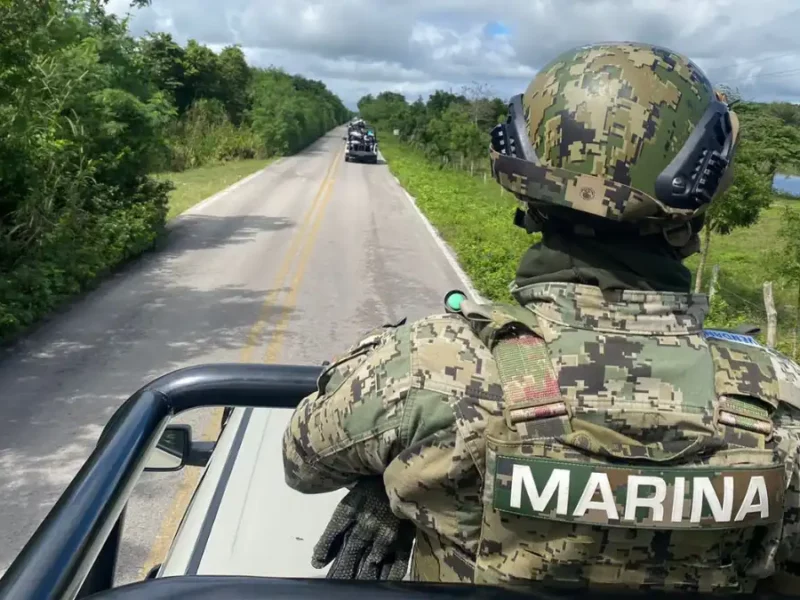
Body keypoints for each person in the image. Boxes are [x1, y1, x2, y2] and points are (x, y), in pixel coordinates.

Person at [282, 41, 800, 593]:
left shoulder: (432, 368)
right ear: (701, 191)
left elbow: (303, 460)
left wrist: (407, 482)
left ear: (523, 175)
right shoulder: (780, 402)